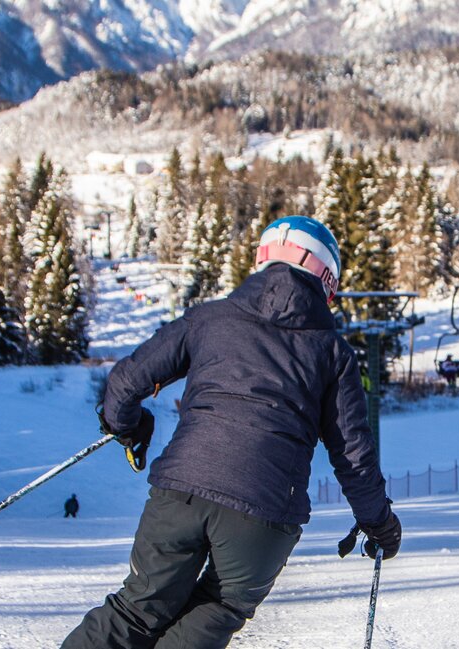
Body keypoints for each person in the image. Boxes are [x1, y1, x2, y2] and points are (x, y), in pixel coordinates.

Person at [64, 215, 401, 649]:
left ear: (261, 260)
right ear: (326, 280)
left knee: (137, 609)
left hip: (183, 489)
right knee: (218, 610)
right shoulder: (331, 351)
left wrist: (128, 428)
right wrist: (379, 524)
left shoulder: (209, 319)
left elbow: (126, 382)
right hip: (265, 512)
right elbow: (352, 454)